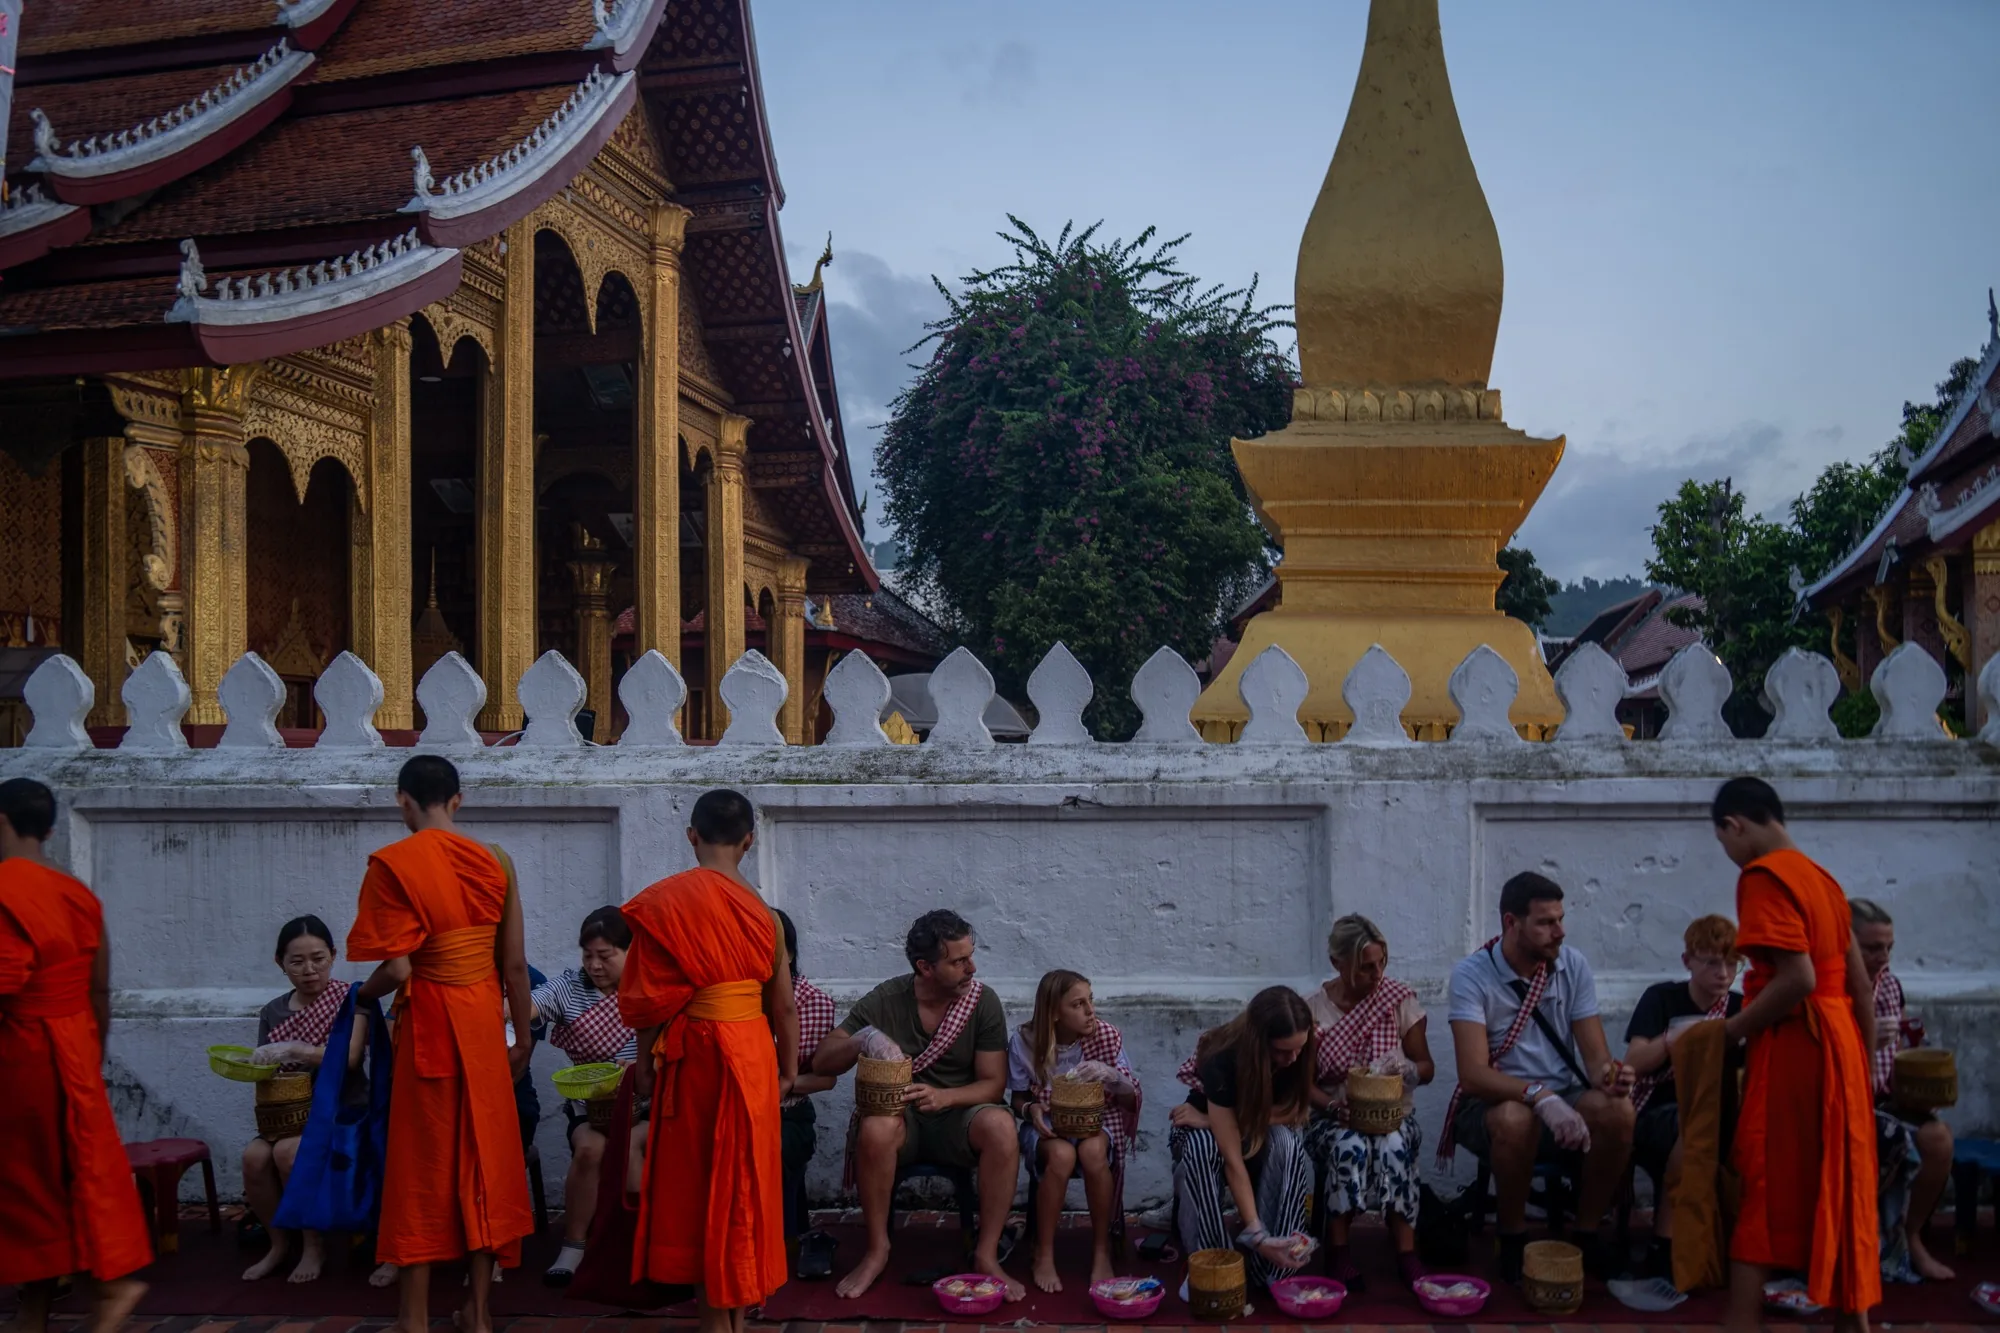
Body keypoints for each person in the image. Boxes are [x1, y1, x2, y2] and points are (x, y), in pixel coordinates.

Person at [348, 755, 535, 1333]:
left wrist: (362, 996)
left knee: (420, 1168)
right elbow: (514, 965)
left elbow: (401, 971)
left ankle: (413, 1318)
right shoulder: (495, 861)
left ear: (403, 800)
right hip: (482, 1024)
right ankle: (477, 1312)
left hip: (429, 1024)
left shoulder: (394, 865)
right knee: (486, 1161)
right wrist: (523, 1035)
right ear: (457, 801)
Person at [619, 788, 796, 1333]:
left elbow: (648, 999)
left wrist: (646, 1064)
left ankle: (716, 1322)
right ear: (749, 840)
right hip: (751, 1055)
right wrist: (787, 1070)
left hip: (695, 1053)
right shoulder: (765, 917)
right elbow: (783, 1005)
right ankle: (736, 1316)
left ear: (691, 835)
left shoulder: (665, 902)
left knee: (698, 1184)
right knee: (744, 1183)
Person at [1712, 777, 1878, 1333]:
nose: (1731, 857)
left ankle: (1740, 1321)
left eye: (1725, 844)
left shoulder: (1763, 877)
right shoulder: (1822, 880)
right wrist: (1864, 1057)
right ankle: (1854, 1321)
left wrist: (1730, 1030)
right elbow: (1858, 985)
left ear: (1735, 825)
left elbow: (1798, 979)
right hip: (1842, 1047)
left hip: (1797, 1047)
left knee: (1764, 1181)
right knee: (1841, 1180)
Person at [0, 778, 151, 1333]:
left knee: (25, 1182)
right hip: (73, 1046)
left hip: (23, 1052)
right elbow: (99, 990)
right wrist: (88, 1060)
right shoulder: (77, 893)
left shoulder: (6, 887)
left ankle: (109, 1286)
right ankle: (36, 1309)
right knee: (68, 1175)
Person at [811, 909, 1021, 1302]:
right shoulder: (887, 999)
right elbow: (823, 1061)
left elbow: (993, 1085)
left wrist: (945, 1097)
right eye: (959, 961)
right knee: (874, 1127)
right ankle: (877, 1251)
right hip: (902, 1120)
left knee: (1001, 1126)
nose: (971, 967)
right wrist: (863, 1039)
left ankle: (987, 1254)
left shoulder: (983, 1002)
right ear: (925, 967)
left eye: (970, 956)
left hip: (960, 1118)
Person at [1442, 871, 1635, 1282]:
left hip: (1564, 1093)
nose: (1559, 932)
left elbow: (1596, 1058)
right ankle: (1512, 1238)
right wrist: (1541, 1095)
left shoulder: (1571, 965)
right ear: (1511, 923)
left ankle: (1585, 1232)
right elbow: (1473, 1074)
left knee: (1617, 1111)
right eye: (1546, 922)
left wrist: (1612, 1076)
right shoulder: (1472, 975)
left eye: (1560, 919)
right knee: (1517, 1118)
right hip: (1494, 1102)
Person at [1301, 915, 1433, 1291]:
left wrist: (1406, 1069)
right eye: (1365, 967)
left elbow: (1428, 1068)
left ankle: (1407, 1253)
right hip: (1333, 1121)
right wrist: (1330, 1106)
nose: (1377, 975)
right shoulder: (1311, 1010)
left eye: (1381, 963)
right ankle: (1339, 1252)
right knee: (1350, 1145)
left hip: (1395, 1118)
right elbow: (1303, 1085)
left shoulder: (1398, 1001)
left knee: (1393, 1144)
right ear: (1337, 964)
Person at [242, 915, 371, 1283]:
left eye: (318, 958)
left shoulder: (351, 998)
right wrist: (251, 1064)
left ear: (333, 955)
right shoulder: (273, 1010)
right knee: (254, 1158)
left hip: (341, 1112)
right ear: (279, 963)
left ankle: (313, 1246)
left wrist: (295, 1048)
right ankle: (279, 1244)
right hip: (286, 1115)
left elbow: (350, 1057)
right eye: (296, 962)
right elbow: (266, 1067)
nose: (309, 970)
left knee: (287, 1153)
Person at [1171, 987, 1319, 1294]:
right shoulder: (1221, 1056)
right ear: (1258, 1042)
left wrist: (1230, 1120)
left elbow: (1294, 1112)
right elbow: (1232, 1158)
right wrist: (1255, 1233)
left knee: (1288, 1145)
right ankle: (1212, 1263)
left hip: (1250, 1123)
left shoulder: (1302, 1049)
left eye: (1298, 1049)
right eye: (1281, 1051)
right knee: (1201, 1148)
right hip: (1206, 1124)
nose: (1292, 1059)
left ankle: (1278, 1261)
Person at [1621, 914, 1744, 1281]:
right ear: (1687, 962)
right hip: (1659, 1112)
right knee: (1695, 1128)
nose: (1723, 973)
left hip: (1723, 1111)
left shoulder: (1742, 1008)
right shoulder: (1662, 999)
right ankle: (1664, 1246)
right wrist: (1676, 1040)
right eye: (1711, 962)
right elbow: (1634, 1063)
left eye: (1731, 963)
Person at [1007, 969, 1140, 1293]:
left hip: (1095, 1120)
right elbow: (1018, 1099)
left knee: (1093, 1152)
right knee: (1063, 1156)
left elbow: (1130, 1097)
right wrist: (1031, 1109)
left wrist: (1109, 1074)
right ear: (1054, 1012)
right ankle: (1045, 1252)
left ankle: (1101, 1249)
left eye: (1090, 1001)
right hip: (1047, 1124)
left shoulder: (1104, 1037)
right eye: (1078, 1004)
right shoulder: (1025, 1042)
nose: (1090, 1011)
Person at [532, 906, 639, 1287]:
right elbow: (534, 1003)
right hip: (590, 1109)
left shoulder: (652, 987)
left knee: (635, 1152)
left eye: (605, 956)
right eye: (587, 955)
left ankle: (639, 1247)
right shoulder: (570, 987)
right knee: (591, 1149)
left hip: (645, 1106)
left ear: (631, 951)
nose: (594, 965)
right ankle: (574, 1245)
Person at [1851, 897, 1953, 1283]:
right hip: (1837, 1099)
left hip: (1883, 1098)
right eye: (1873, 947)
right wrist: (1866, 1042)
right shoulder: (1828, 985)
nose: (1884, 956)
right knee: (1890, 1139)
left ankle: (1911, 1238)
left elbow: (1898, 1053)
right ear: (1847, 943)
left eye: (1889, 947)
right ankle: (1870, 1245)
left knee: (1938, 1138)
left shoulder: (1890, 985)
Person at [775, 907, 840, 1277]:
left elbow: (825, 1078)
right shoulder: (730, 1001)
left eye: (772, 950)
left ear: (791, 954)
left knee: (773, 1146)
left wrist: (779, 1083)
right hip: (730, 1110)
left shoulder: (811, 1003)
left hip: (787, 1112)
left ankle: (775, 1245)